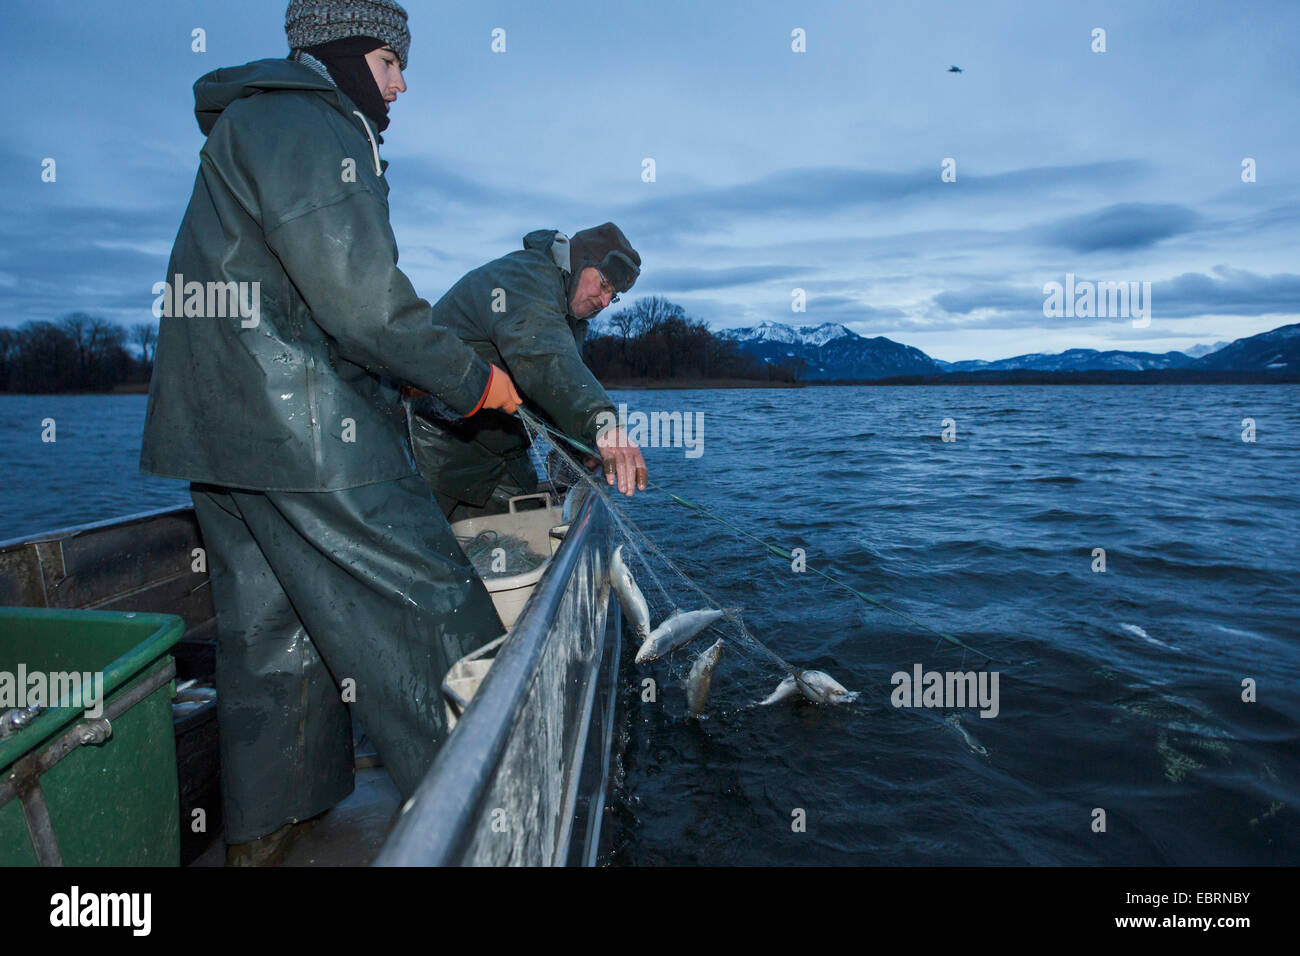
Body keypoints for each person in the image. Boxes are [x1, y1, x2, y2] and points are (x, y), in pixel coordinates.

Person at [139, 0, 523, 865]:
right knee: (431, 591)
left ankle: (274, 828)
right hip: (294, 422)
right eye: (393, 65)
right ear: (351, 53)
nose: (400, 86)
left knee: (273, 629)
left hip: (217, 431)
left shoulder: (253, 120)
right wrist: (472, 380)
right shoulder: (316, 122)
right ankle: (496, 813)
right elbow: (362, 304)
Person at [407, 224, 648, 523]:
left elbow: (551, 393)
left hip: (502, 454)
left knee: (526, 542)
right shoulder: (526, 276)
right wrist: (603, 424)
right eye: (603, 284)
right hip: (436, 444)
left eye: (614, 295)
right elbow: (544, 357)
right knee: (428, 551)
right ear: (581, 263)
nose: (605, 301)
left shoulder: (571, 319)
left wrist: (583, 446)